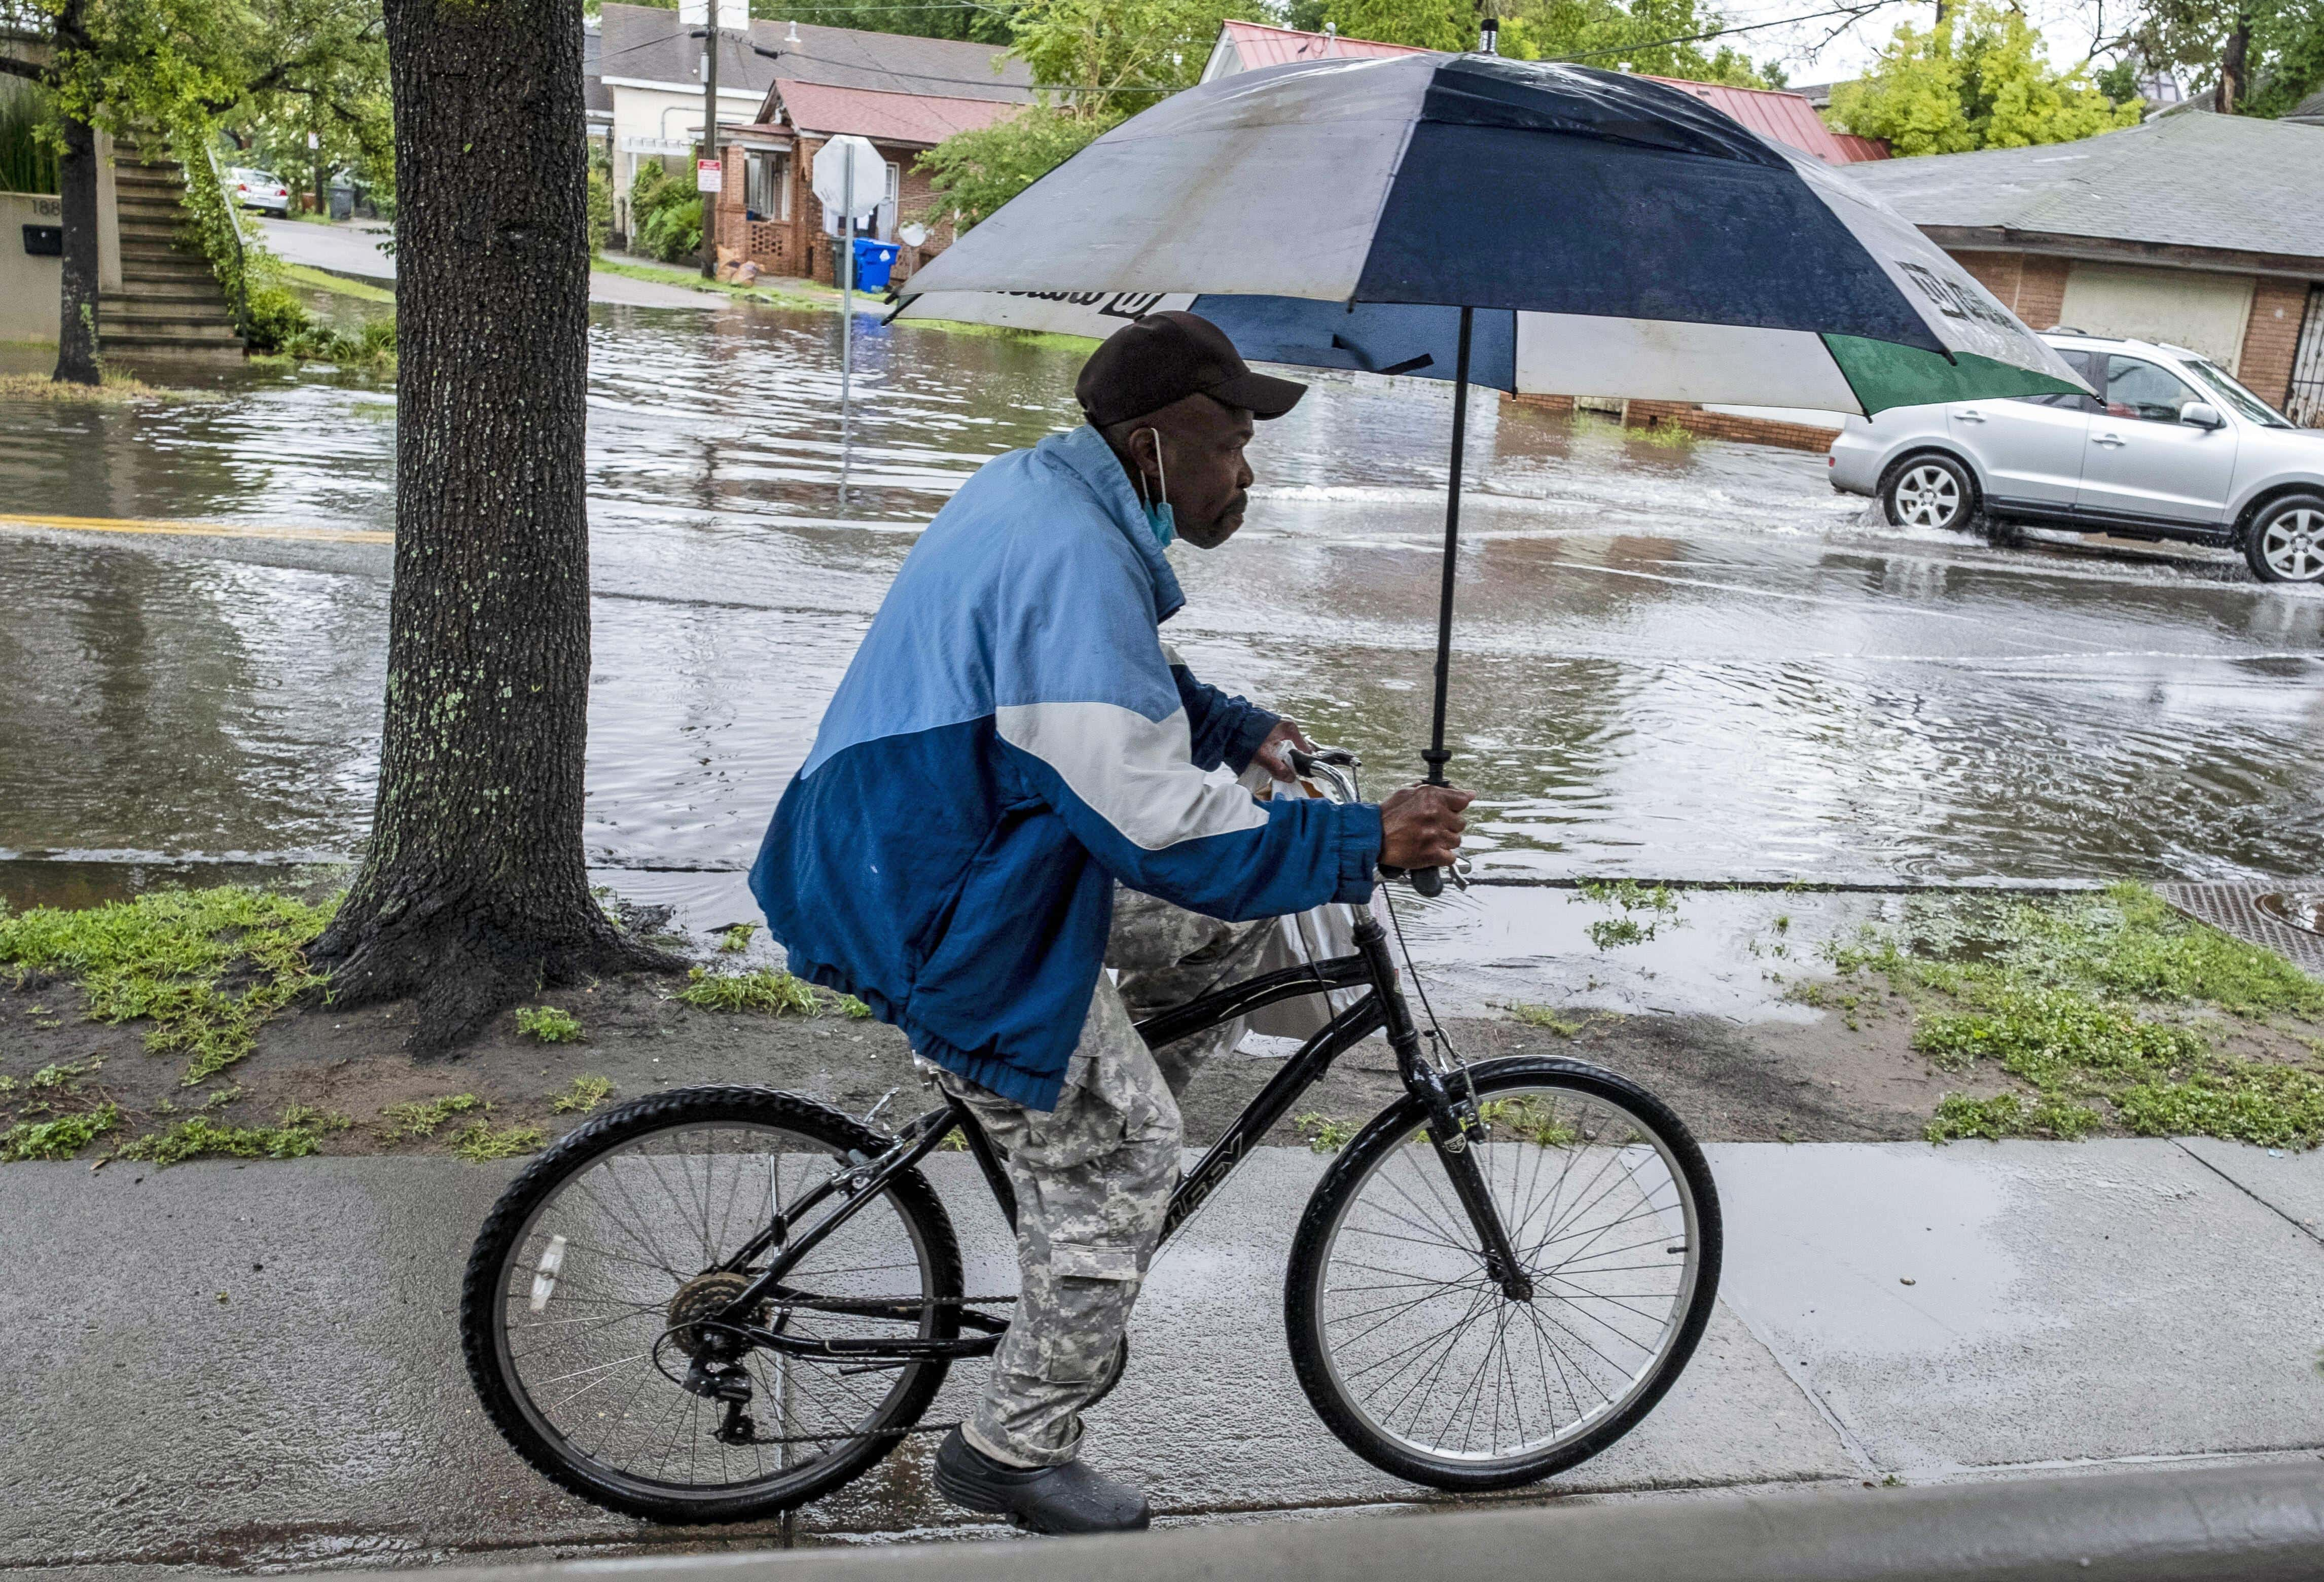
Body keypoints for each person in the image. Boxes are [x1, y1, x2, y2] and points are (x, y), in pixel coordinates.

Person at [748, 311, 1471, 1534]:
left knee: (1222, 937)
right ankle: (1012, 1444)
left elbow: (1108, 687)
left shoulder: (1045, 496)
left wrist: (1241, 731)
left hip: (916, 846)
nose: (1248, 471)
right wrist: (1362, 842)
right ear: (1152, 445)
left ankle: (1082, 1208)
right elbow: (1159, 830)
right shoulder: (1074, 557)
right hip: (942, 897)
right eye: (1231, 440)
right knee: (1128, 1150)